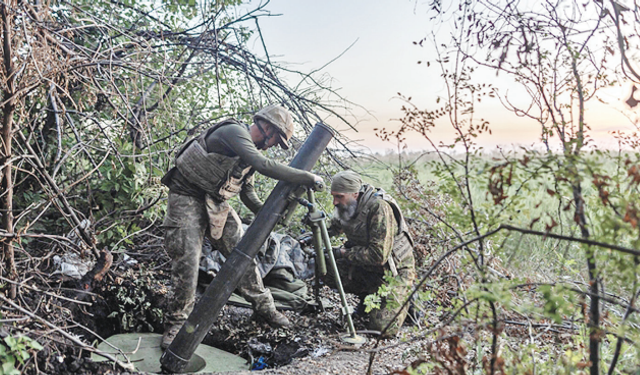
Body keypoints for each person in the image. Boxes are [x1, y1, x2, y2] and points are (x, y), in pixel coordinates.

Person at [160, 104, 323, 349]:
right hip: (186, 196)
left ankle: (265, 308)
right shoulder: (234, 133)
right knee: (188, 262)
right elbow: (264, 165)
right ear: (266, 127)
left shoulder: (249, 153)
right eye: (275, 139)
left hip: (215, 203)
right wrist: (307, 177)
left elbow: (248, 193)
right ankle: (177, 324)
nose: (272, 145)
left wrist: (266, 214)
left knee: (244, 254)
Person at [326, 170, 416, 338]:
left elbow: (378, 255)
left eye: (339, 196)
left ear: (355, 193)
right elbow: (332, 229)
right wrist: (311, 235)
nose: (334, 202)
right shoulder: (347, 206)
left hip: (393, 272)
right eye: (333, 196)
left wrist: (342, 252)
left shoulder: (378, 207)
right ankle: (368, 294)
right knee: (325, 268)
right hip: (366, 267)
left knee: (382, 329)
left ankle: (407, 297)